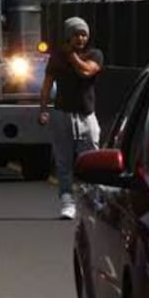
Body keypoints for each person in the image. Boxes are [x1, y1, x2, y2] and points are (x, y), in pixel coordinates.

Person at [38, 16, 103, 220]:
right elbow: (47, 84)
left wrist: (72, 56)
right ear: (68, 36)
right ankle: (67, 201)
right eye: (76, 34)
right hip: (62, 115)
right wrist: (43, 108)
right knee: (64, 161)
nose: (80, 38)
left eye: (83, 34)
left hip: (86, 115)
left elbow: (86, 71)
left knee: (91, 158)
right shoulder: (57, 57)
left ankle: (92, 199)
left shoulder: (95, 54)